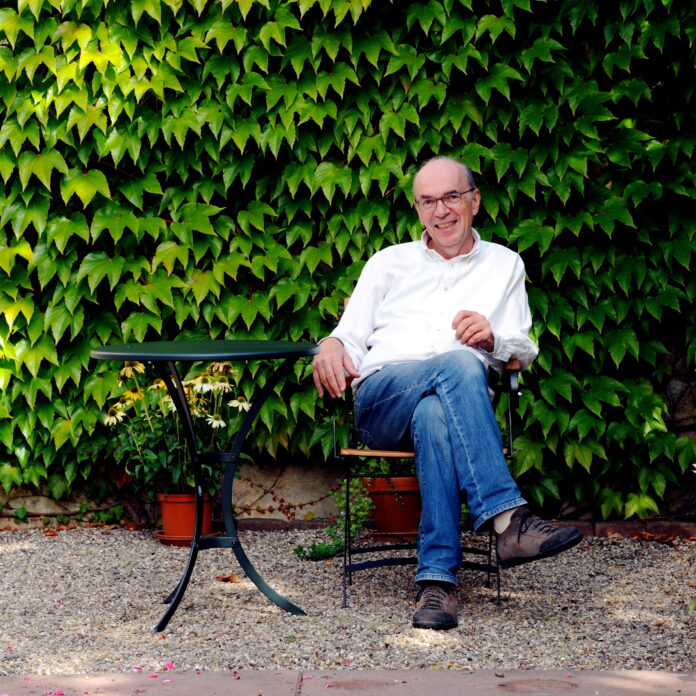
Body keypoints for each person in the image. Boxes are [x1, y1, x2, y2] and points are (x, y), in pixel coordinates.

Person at [312, 156, 582, 630]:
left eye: (452, 196)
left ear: (474, 200)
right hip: (382, 399)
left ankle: (437, 584)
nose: (442, 211)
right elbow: (348, 336)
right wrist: (331, 343)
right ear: (418, 210)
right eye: (429, 201)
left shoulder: (504, 265)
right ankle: (507, 520)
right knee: (459, 363)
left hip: (453, 407)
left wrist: (494, 337)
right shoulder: (387, 263)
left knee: (436, 414)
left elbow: (523, 347)